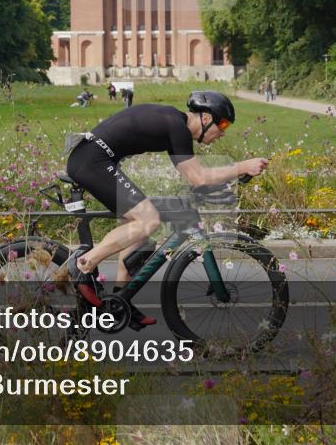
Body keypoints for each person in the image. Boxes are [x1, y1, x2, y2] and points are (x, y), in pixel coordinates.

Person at [63, 91, 269, 326]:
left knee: (140, 223)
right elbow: (199, 177)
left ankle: (121, 297)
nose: (222, 132)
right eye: (221, 124)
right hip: (92, 161)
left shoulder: (173, 127)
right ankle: (83, 265)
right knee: (147, 220)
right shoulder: (177, 127)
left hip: (93, 159)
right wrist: (242, 166)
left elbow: (191, 176)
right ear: (205, 118)